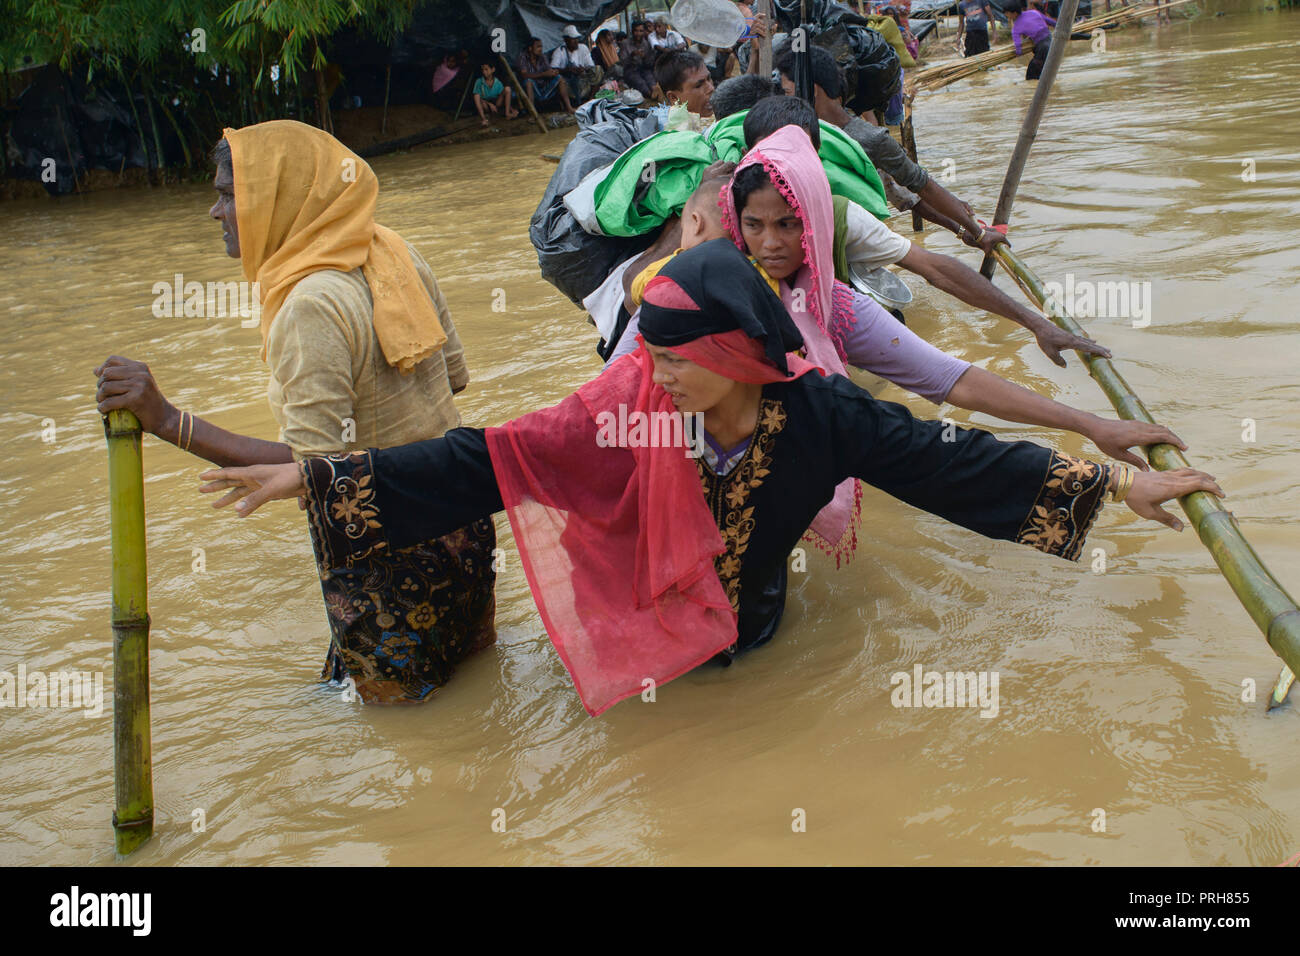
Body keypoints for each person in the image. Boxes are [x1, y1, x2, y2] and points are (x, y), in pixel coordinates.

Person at [199, 241, 1224, 717]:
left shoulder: (822, 413)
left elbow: (946, 461)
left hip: (753, 625)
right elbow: (491, 457)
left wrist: (1112, 485)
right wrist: (318, 477)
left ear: (737, 352)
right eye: (651, 351)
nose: (654, 368)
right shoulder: (628, 405)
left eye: (675, 353)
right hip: (644, 625)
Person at [94, 120, 497, 704]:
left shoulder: (309, 304)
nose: (216, 211)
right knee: (478, 698)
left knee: (402, 734)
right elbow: (452, 383)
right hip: (462, 524)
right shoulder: (391, 250)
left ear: (276, 198)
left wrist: (166, 420)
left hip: (386, 552)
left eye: (228, 194)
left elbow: (323, 477)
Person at [772, 44, 1008, 257]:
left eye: (787, 92)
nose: (783, 100)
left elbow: (918, 190)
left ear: (810, 90)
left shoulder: (866, 141)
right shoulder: (789, 132)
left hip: (844, 253)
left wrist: (972, 232)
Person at [518, 36, 575, 112]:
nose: (540, 49)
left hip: (544, 88)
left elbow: (548, 70)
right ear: (530, 48)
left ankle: (569, 107)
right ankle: (532, 112)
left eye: (541, 46)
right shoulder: (523, 57)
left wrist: (553, 72)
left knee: (559, 78)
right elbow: (524, 75)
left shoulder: (542, 57)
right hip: (533, 90)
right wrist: (543, 74)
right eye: (538, 47)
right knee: (528, 81)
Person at [655, 48, 716, 119]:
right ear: (674, 97)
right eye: (698, 86)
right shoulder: (668, 128)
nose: (711, 88)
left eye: (709, 78)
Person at [1006, 0, 1056, 80]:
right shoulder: (1033, 12)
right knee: (1046, 75)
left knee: (1031, 77)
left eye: (1006, 13)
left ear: (1013, 13)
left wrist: (1017, 53)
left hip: (1042, 49)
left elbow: (1018, 47)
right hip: (1052, 42)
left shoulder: (1016, 27)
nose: (1006, 15)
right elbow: (1050, 22)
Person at [551, 25, 601, 103]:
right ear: (566, 40)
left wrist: (583, 70)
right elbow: (553, 70)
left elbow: (591, 66)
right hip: (568, 85)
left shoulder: (583, 48)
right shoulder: (559, 51)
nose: (576, 41)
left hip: (584, 81)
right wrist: (568, 70)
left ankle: (590, 99)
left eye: (577, 38)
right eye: (573, 39)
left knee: (598, 69)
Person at [619, 20, 659, 100]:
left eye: (641, 31)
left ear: (644, 32)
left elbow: (649, 63)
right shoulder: (625, 43)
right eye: (636, 31)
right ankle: (650, 95)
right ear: (632, 31)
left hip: (644, 69)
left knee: (650, 79)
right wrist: (632, 55)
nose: (638, 34)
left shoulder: (646, 44)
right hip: (631, 70)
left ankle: (655, 90)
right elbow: (623, 63)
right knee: (640, 83)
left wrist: (644, 57)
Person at [472, 62, 517, 126]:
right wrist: (489, 104)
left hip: (496, 103)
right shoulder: (479, 81)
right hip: (485, 105)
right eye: (483, 70)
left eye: (486, 69)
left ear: (493, 70)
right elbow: (477, 99)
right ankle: (484, 118)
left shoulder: (497, 81)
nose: (484, 72)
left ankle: (507, 114)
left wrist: (511, 109)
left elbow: (504, 97)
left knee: (507, 89)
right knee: (480, 101)